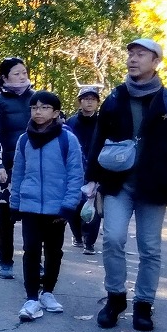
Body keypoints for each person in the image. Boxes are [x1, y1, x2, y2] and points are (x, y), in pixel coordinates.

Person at [85, 39, 167, 331]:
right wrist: (92, 178)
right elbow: (98, 139)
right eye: (130, 54)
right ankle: (115, 298)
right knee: (112, 239)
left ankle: (144, 304)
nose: (133, 59)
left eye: (140, 54)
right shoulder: (115, 97)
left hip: (155, 185)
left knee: (149, 247)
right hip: (118, 183)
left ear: (155, 61)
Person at [10, 91, 83, 321]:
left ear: (55, 112)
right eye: (34, 108)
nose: (38, 112)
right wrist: (14, 203)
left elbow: (75, 174)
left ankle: (47, 293)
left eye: (44, 108)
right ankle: (31, 298)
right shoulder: (24, 140)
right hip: (30, 205)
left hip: (57, 208)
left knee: (54, 251)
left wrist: (69, 206)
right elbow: (18, 173)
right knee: (30, 250)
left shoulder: (67, 139)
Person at [0, 57, 35, 279]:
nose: (22, 76)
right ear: (4, 78)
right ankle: (6, 260)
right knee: (5, 214)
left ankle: (34, 260)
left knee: (35, 216)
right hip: (6, 167)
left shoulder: (37, 99)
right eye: (17, 73)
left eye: (24, 72)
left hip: (34, 168)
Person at [65, 85, 102, 254]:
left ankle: (90, 242)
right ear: (80, 102)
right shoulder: (71, 122)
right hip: (74, 169)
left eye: (93, 99)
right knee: (75, 205)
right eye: (86, 99)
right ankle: (78, 236)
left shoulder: (103, 122)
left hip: (96, 169)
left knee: (94, 204)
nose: (89, 102)